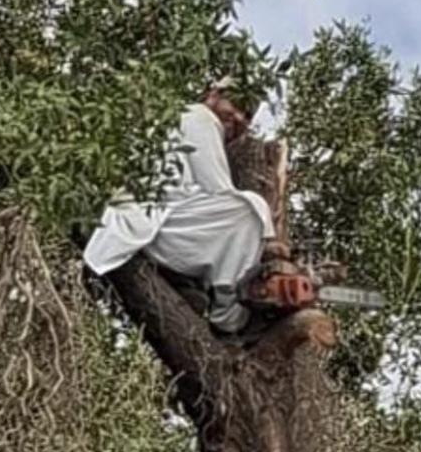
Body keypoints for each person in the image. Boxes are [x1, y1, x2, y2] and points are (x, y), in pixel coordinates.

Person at [83, 81, 276, 334]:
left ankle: (189, 284)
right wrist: (269, 241)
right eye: (237, 106)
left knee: (245, 211)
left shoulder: (188, 119)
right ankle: (227, 313)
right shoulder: (200, 117)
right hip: (154, 221)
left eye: (248, 115)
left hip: (165, 220)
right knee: (250, 211)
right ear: (213, 95)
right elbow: (217, 189)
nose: (240, 118)